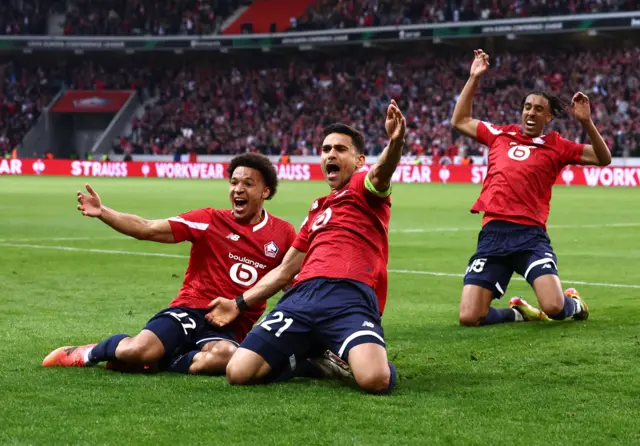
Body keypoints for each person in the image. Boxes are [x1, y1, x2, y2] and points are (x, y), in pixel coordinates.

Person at [205, 100, 407, 394]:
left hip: (349, 295)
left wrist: (395, 141)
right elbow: (286, 269)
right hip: (302, 298)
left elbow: (383, 171)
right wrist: (238, 303)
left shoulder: (365, 188)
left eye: (340, 149)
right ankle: (312, 360)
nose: (330, 155)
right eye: (326, 150)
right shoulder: (316, 211)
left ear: (360, 160)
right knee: (238, 371)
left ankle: (336, 351)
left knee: (376, 380)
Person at [42, 153, 297, 375]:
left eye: (248, 184)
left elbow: (292, 284)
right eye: (233, 183)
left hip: (229, 328)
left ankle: (163, 362)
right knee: (139, 350)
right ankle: (89, 352)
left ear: (266, 192)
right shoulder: (209, 220)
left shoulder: (283, 234)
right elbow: (148, 228)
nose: (238, 189)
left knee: (226, 357)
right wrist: (103, 212)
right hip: (189, 310)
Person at [451, 49, 611, 326]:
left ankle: (574, 302)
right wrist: (474, 78)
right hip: (493, 234)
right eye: (527, 107)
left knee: (554, 306)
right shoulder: (500, 134)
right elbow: (460, 120)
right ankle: (518, 313)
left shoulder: (557, 146)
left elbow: (603, 158)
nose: (531, 112)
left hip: (529, 235)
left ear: (548, 117)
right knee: (469, 317)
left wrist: (586, 121)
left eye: (539, 109)